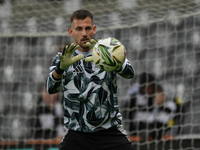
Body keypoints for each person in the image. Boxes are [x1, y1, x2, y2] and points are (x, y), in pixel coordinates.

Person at [45, 9, 135, 150]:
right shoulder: (62, 58)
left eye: (87, 28)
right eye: (79, 29)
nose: (84, 33)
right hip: (76, 134)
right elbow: (50, 89)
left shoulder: (108, 50)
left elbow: (130, 73)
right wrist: (60, 69)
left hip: (109, 131)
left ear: (94, 29)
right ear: (71, 32)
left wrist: (112, 61)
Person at [124, 72, 182, 141]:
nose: (149, 90)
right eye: (146, 87)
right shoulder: (134, 99)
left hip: (156, 133)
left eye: (150, 87)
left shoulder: (169, 104)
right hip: (140, 132)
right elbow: (127, 116)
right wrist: (133, 134)